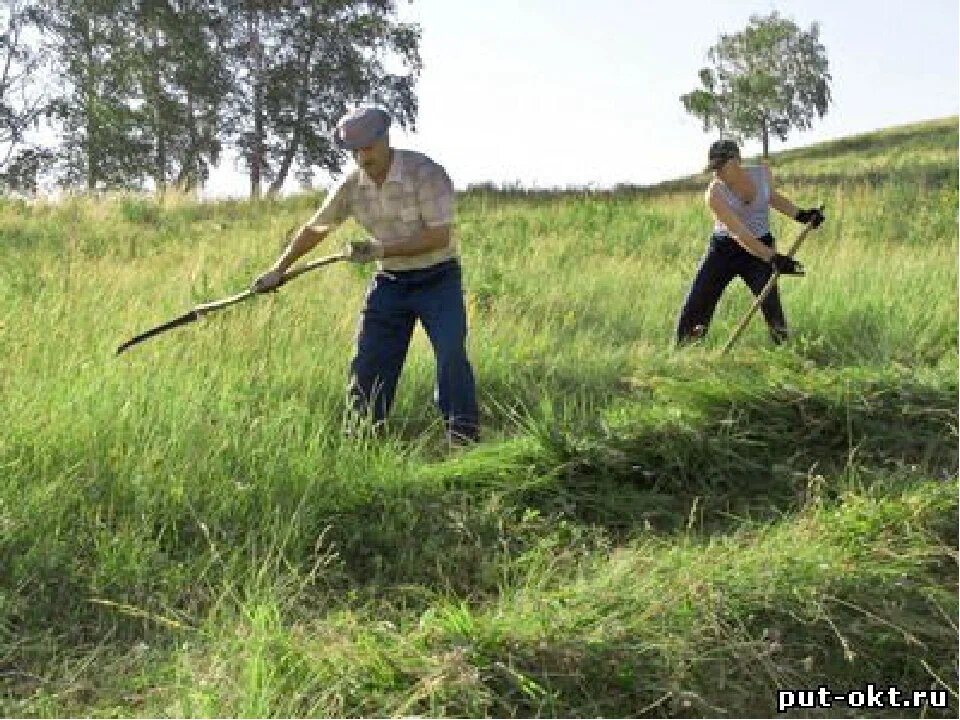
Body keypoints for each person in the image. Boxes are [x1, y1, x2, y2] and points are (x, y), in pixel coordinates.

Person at [252, 106, 479, 444]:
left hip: (438, 279)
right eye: (355, 150)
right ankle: (362, 437)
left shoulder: (425, 173)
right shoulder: (350, 186)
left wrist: (379, 250)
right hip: (390, 282)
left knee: (450, 354)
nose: (362, 157)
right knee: (369, 360)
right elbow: (316, 229)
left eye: (368, 147)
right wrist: (278, 270)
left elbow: (438, 236)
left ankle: (462, 436)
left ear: (385, 139)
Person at [675, 139, 824, 346]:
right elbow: (738, 232)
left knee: (771, 304)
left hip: (760, 246)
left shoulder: (761, 174)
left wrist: (802, 215)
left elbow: (772, 197)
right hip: (724, 251)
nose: (717, 174)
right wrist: (772, 257)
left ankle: (784, 352)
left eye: (721, 167)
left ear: (736, 160)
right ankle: (684, 352)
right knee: (698, 301)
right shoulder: (714, 194)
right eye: (713, 168)